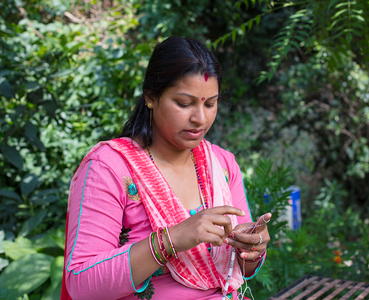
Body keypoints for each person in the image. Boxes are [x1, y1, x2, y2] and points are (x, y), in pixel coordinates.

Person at [61, 36, 271, 300]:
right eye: (184, 104)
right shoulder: (109, 168)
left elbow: (239, 269)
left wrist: (253, 248)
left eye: (210, 104)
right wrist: (167, 241)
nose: (200, 118)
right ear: (151, 97)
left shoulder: (222, 164)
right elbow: (81, 284)